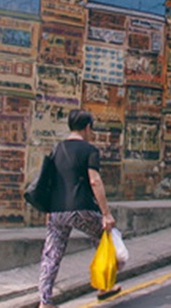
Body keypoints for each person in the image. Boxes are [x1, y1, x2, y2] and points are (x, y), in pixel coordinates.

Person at [39, 109, 119, 308]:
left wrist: (49, 210)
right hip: (80, 207)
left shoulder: (57, 149)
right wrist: (106, 213)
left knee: (51, 254)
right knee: (105, 237)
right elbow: (95, 181)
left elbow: (51, 181)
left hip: (57, 209)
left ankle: (44, 302)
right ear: (87, 127)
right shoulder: (90, 150)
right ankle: (104, 286)